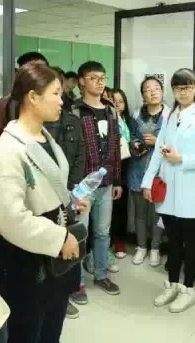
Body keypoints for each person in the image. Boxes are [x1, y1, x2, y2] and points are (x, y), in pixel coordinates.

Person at [0, 61, 89, 342]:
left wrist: (71, 203)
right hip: (29, 257)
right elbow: (11, 218)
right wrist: (59, 238)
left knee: (51, 328)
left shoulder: (46, 137)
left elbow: (51, 188)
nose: (62, 100)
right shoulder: (9, 148)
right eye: (55, 93)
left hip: (57, 253)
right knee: (27, 331)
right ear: (32, 97)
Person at [141, 68, 195, 313]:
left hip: (191, 191)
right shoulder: (170, 115)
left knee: (192, 244)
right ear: (173, 90)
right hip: (168, 191)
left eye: (187, 87)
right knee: (173, 243)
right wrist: (147, 181)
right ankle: (172, 284)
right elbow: (158, 150)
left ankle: (188, 288)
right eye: (178, 88)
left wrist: (181, 158)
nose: (182, 92)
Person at [71, 61, 123, 300]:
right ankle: (76, 282)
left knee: (103, 232)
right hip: (82, 184)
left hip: (107, 182)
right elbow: (70, 150)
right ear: (82, 81)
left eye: (102, 78)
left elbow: (116, 147)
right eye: (93, 78)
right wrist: (72, 184)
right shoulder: (74, 111)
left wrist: (118, 180)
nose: (100, 82)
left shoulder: (111, 110)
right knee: (80, 232)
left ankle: (101, 274)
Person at [44, 69, 86, 320]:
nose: (61, 99)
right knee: (51, 244)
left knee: (71, 240)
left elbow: (79, 156)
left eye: (61, 92)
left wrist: (73, 189)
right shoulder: (33, 129)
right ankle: (55, 293)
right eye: (55, 93)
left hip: (69, 192)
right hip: (46, 197)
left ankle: (68, 290)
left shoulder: (72, 120)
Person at [128, 76, 170, 266]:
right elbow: (129, 138)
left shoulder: (170, 115)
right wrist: (137, 144)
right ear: (143, 95)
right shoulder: (136, 115)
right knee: (140, 213)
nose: (152, 92)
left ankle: (155, 248)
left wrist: (157, 142)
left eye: (156, 89)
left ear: (162, 92)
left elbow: (176, 143)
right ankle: (141, 247)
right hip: (138, 170)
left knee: (157, 214)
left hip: (161, 173)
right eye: (148, 89)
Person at [111, 88, 143, 260]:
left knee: (121, 209)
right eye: (113, 101)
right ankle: (104, 243)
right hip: (107, 169)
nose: (117, 104)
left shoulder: (130, 121)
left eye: (120, 101)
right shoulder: (105, 120)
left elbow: (137, 141)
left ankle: (119, 243)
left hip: (125, 169)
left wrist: (136, 145)